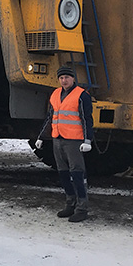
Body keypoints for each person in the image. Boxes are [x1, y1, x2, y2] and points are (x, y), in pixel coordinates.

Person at [36, 66, 94, 222]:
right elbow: (50, 117)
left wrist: (87, 140)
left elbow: (87, 119)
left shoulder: (82, 95)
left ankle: (82, 208)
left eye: (67, 77)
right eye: (61, 78)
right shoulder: (55, 94)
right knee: (63, 173)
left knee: (77, 174)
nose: (64, 80)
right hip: (58, 139)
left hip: (74, 141)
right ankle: (70, 204)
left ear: (73, 79)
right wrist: (41, 137)